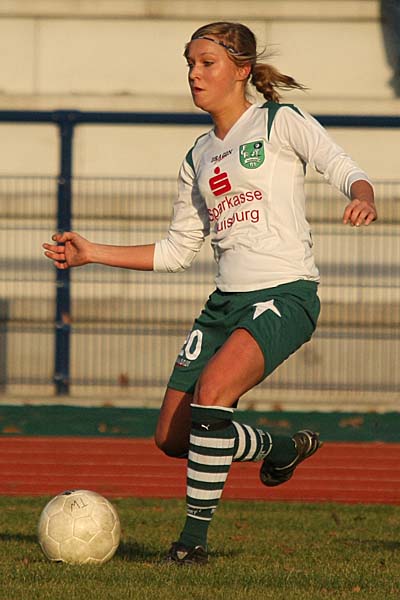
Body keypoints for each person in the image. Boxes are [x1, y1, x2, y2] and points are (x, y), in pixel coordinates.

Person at [43, 21, 377, 565]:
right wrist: (92, 251)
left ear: (241, 70)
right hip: (225, 303)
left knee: (213, 393)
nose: (194, 75)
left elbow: (342, 165)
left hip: (285, 294)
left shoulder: (278, 121)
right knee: (172, 438)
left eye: (207, 63)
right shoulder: (198, 155)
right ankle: (282, 448)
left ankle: (191, 544)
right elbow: (178, 250)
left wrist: (362, 196)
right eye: (190, 65)